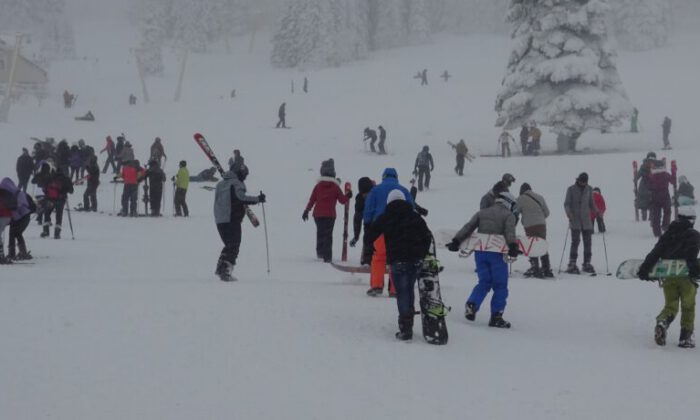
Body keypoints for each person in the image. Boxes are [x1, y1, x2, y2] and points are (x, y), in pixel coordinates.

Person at [446, 191, 519, 328]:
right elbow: (510, 232)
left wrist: (456, 241)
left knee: (484, 282)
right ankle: (496, 316)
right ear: (508, 202)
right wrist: (513, 247)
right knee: (500, 286)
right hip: (496, 254)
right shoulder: (509, 215)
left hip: (480, 252)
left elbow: (468, 227)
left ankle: (472, 304)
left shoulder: (482, 213)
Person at [366, 190, 432, 340]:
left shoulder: (386, 217)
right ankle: (409, 323)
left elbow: (370, 234)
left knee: (402, 292)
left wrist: (369, 250)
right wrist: (421, 254)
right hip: (415, 260)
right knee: (409, 289)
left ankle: (405, 328)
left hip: (398, 260)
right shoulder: (415, 216)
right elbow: (427, 236)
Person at [637, 206, 699, 348]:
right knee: (688, 306)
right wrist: (695, 272)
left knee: (671, 305)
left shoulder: (668, 233)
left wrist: (645, 269)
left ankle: (662, 322)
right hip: (685, 276)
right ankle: (686, 337)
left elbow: (656, 252)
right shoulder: (693, 235)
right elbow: (691, 256)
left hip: (668, 275)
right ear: (691, 220)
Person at [363, 168, 414, 297]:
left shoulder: (375, 190)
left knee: (378, 256)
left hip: (380, 228)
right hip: (399, 229)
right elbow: (411, 208)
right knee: (396, 258)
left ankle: (376, 286)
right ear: (396, 177)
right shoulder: (404, 190)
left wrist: (368, 224)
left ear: (383, 177)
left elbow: (368, 209)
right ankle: (395, 289)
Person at [213, 161, 266, 281]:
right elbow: (240, 198)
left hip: (220, 219)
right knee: (234, 245)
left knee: (229, 244)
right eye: (244, 175)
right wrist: (257, 199)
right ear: (240, 173)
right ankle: (225, 271)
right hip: (232, 219)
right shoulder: (237, 183)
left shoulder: (221, 184)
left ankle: (221, 267)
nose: (245, 178)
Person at [302, 159, 352, 263]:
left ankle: (320, 253)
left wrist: (306, 210)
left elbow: (312, 200)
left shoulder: (318, 186)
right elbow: (342, 201)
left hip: (318, 215)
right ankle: (327, 256)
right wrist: (348, 196)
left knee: (320, 233)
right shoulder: (335, 187)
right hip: (330, 215)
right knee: (328, 235)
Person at [564, 172, 598, 274]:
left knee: (588, 242)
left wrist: (596, 211)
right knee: (575, 242)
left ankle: (587, 262)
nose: (583, 183)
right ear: (578, 180)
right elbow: (566, 203)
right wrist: (568, 213)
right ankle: (572, 262)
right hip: (575, 220)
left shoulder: (589, 189)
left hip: (586, 220)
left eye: (585, 182)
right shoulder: (571, 189)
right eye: (582, 181)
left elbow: (591, 203)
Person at [517, 183, 552, 278]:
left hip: (529, 225)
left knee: (532, 246)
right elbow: (547, 212)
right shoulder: (539, 197)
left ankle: (535, 268)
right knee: (542, 244)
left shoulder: (520, 199)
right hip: (541, 225)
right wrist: (539, 218)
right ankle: (546, 268)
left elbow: (515, 212)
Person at [37, 165, 74, 238]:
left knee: (47, 214)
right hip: (61, 200)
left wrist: (47, 194)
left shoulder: (50, 178)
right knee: (59, 216)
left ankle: (46, 231)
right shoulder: (66, 179)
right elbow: (71, 191)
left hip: (50, 199)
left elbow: (44, 189)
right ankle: (57, 233)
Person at [6, 178, 35, 260]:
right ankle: (22, 252)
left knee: (14, 233)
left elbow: (16, 208)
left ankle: (13, 253)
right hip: (24, 217)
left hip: (19, 218)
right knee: (16, 233)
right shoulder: (20, 193)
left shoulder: (14, 195)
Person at [350, 177, 374, 265]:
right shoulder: (360, 199)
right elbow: (357, 218)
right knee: (368, 239)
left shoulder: (377, 194)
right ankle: (367, 260)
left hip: (381, 223)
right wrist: (356, 236)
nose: (366, 196)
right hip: (368, 225)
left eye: (367, 193)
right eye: (364, 193)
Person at [648, 159, 675, 237]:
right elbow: (673, 181)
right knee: (667, 212)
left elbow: (648, 186)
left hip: (655, 197)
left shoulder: (652, 176)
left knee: (656, 215)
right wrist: (673, 171)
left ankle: (657, 232)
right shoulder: (665, 174)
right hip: (665, 196)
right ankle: (665, 226)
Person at [0, 179, 18, 263]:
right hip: (7, 216)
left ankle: (1, 255)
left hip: (3, 216)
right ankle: (1, 254)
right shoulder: (7, 192)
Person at [635, 152, 656, 221]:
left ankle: (648, 219)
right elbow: (639, 174)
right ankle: (647, 219)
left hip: (648, 187)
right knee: (648, 204)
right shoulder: (645, 166)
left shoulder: (645, 165)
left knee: (650, 204)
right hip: (647, 187)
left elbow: (638, 175)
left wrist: (636, 178)